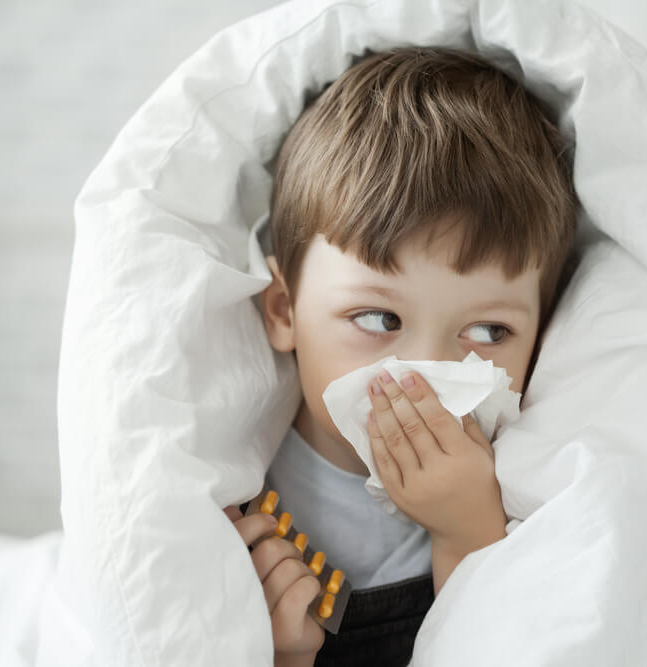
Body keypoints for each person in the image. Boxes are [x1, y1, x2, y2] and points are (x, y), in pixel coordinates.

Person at [224, 46, 578, 667]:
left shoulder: (526, 489)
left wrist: (467, 533)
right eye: (380, 319)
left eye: (489, 331)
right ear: (284, 310)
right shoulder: (239, 485)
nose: (423, 371)